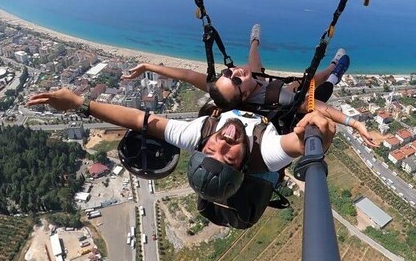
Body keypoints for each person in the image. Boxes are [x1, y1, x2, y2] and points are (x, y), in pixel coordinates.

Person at [26, 87, 337, 226]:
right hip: (265, 143)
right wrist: (318, 133)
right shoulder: (267, 154)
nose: (223, 142)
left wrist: (79, 103)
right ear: (243, 165)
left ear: (200, 149)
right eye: (228, 157)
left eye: (211, 149)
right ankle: (336, 71)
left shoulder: (197, 133)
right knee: (313, 92)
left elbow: (138, 120)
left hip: (243, 120)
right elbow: (304, 144)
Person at [122, 24, 378, 147]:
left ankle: (254, 41)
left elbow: (187, 75)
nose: (233, 71)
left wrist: (149, 67)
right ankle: (335, 69)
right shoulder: (277, 98)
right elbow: (317, 107)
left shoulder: (229, 88)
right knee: (312, 83)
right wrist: (354, 123)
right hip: (280, 96)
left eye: (227, 72)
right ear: (243, 94)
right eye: (235, 80)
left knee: (253, 61)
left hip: (263, 84)